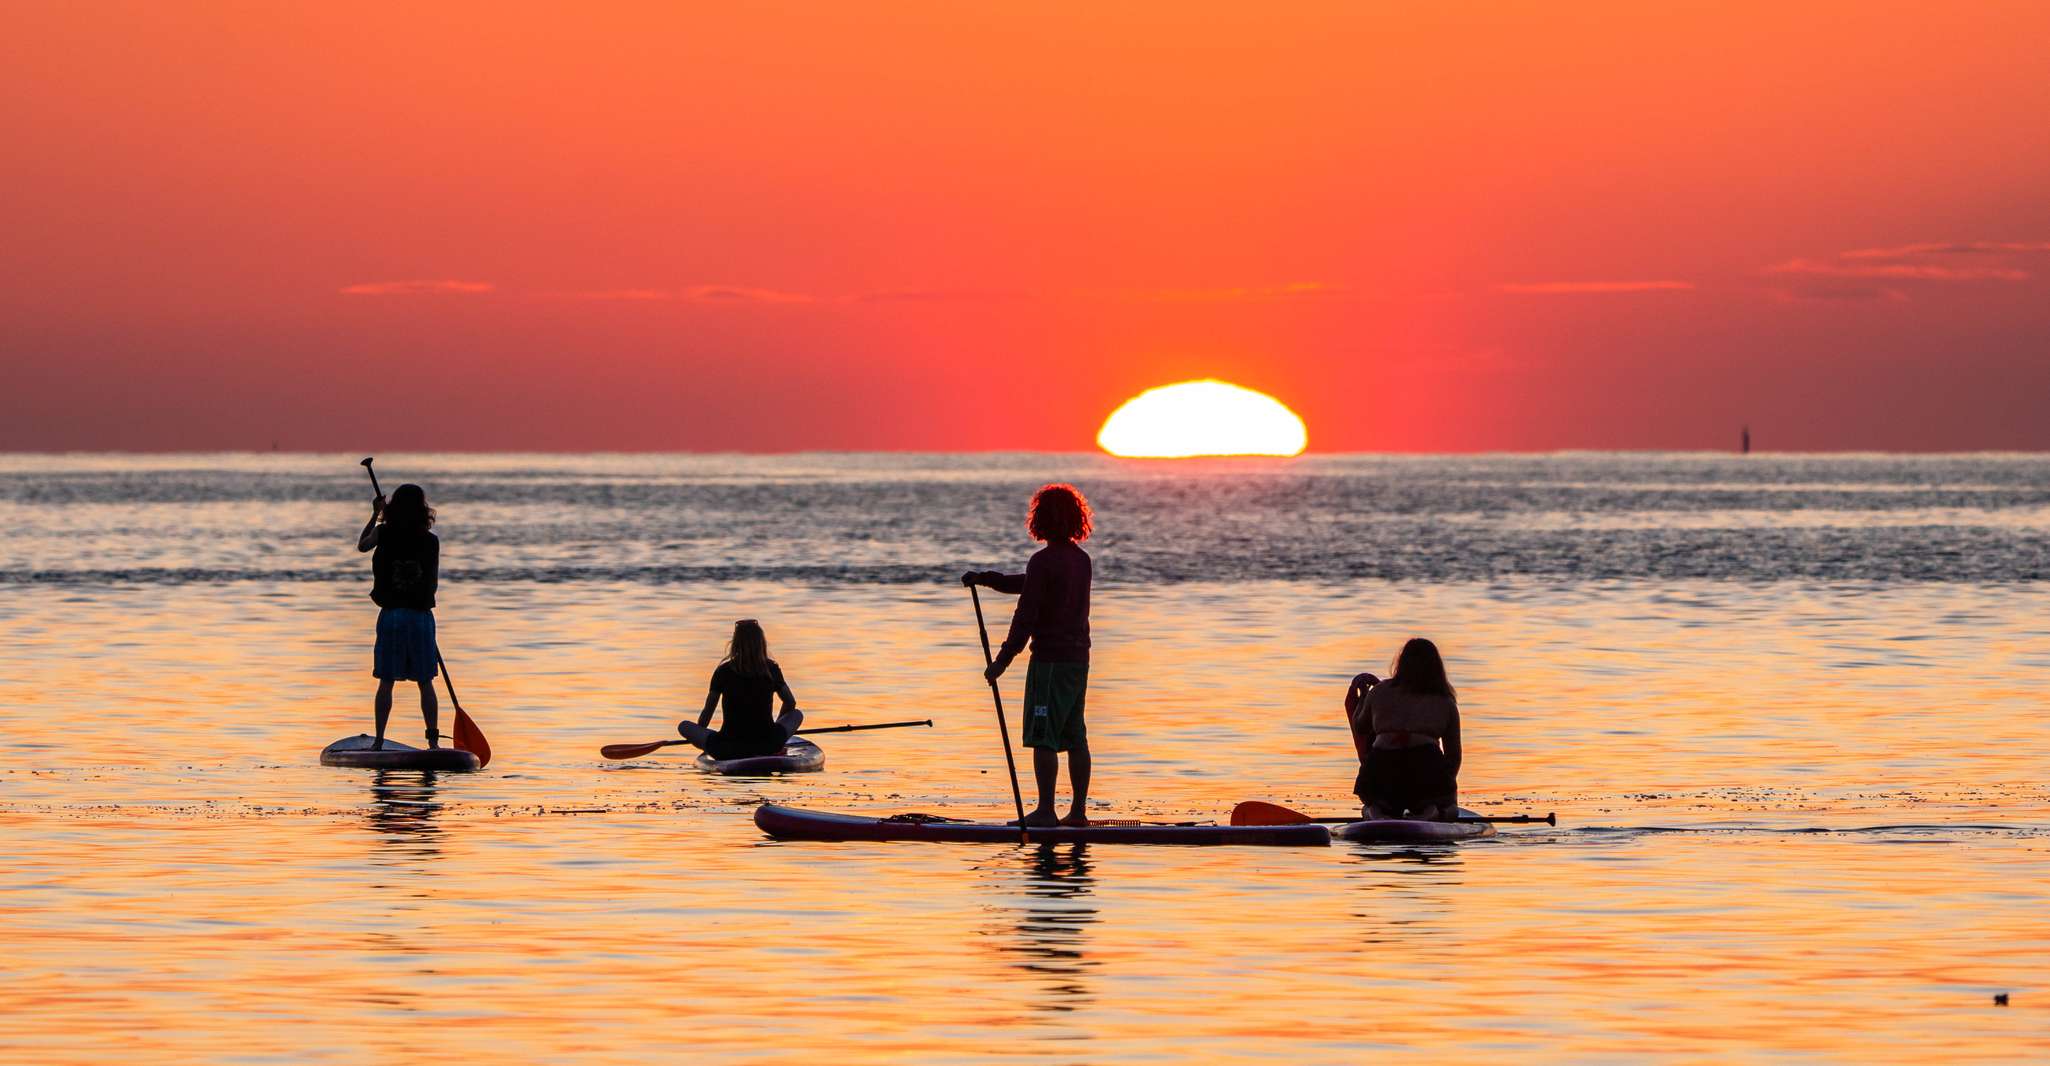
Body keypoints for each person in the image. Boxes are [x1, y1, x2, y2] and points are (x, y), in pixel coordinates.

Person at [963, 483, 1094, 827]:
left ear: (1041, 520)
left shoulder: (1043, 561)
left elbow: (1026, 616)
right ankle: (1077, 813)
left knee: (1044, 736)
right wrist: (988, 579)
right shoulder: (1081, 561)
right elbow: (1034, 583)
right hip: (1078, 662)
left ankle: (1047, 812)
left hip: (1049, 664)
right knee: (1075, 735)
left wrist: (1001, 662)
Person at [356, 483, 440, 750]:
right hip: (420, 617)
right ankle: (433, 744)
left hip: (392, 616)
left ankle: (379, 742)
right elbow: (432, 581)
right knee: (425, 682)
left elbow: (362, 546)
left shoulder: (383, 533)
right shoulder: (431, 540)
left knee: (387, 681)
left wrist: (375, 514)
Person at [1345, 638, 1462, 821]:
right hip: (1425, 766)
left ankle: (1375, 811)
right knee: (1452, 809)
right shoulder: (1445, 701)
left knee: (1373, 805)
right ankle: (1432, 810)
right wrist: (1445, 789)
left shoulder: (1379, 691)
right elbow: (1453, 756)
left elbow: (1360, 726)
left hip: (1383, 766)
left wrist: (1364, 697)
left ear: (1401, 662)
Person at [678, 619, 804, 760]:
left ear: (735, 643)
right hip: (768, 744)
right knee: (797, 714)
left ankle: (716, 744)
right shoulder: (771, 669)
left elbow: (707, 713)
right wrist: (776, 732)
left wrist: (703, 736)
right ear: (761, 642)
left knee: (684, 726)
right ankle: (774, 740)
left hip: (728, 748)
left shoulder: (723, 671)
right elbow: (790, 703)